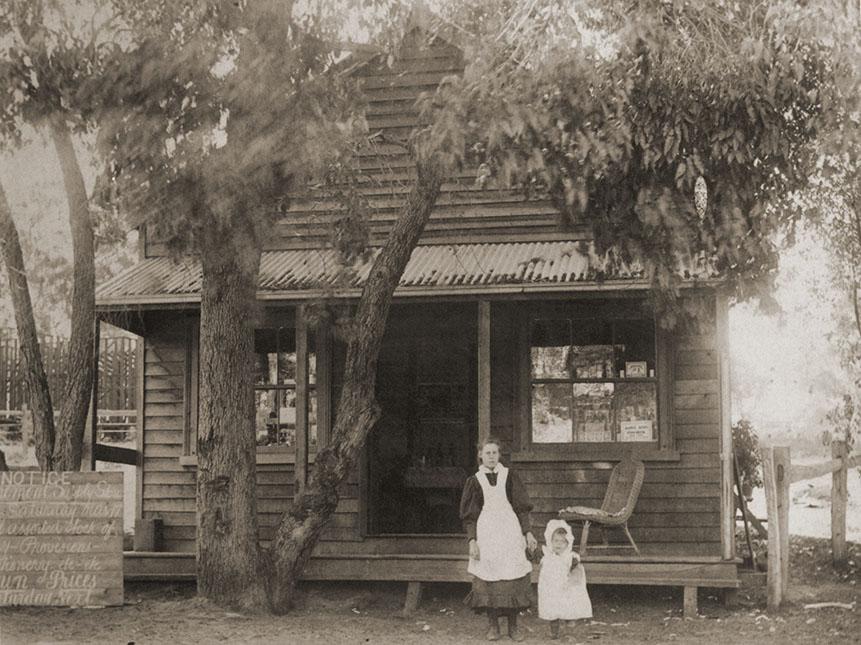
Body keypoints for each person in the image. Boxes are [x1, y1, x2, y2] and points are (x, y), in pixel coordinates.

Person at [459, 437, 538, 641]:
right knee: (490, 579)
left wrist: (527, 532)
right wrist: (472, 541)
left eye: (495, 453)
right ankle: (493, 626)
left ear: (499, 455)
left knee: (512, 577)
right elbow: (470, 516)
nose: (491, 457)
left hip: (510, 532)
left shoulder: (509, 476)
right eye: (487, 453)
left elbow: (521, 508)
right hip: (487, 535)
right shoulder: (475, 481)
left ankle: (513, 627)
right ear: (480, 455)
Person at [535, 519, 592, 640]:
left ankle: (569, 634)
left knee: (568, 611)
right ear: (550, 541)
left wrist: (572, 582)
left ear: (568, 543)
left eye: (562, 542)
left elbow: (578, 566)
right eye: (556, 541)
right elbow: (534, 555)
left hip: (566, 590)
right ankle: (554, 633)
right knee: (552, 612)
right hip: (551, 590)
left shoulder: (570, 557)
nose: (558, 544)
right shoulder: (547, 556)